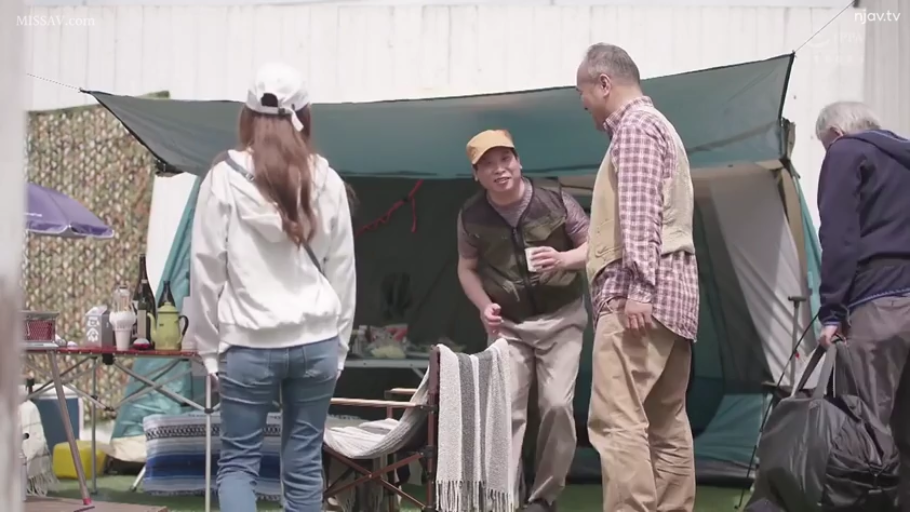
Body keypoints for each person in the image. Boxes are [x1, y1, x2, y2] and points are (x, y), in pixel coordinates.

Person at [188, 62, 356, 512]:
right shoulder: (327, 179)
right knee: (304, 464)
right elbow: (343, 271)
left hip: (247, 343)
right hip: (317, 341)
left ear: (246, 116)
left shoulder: (223, 177)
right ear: (305, 115)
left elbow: (205, 269)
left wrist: (209, 349)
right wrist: (339, 347)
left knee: (238, 466)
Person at [575, 43, 699, 512]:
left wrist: (640, 288)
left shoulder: (635, 128)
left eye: (584, 93)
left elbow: (640, 211)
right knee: (666, 423)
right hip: (676, 301)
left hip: (640, 300)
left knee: (617, 420)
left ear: (604, 83)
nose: (584, 104)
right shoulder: (661, 126)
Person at [455, 128, 589, 512]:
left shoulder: (555, 199)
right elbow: (466, 267)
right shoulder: (471, 215)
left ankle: (544, 497)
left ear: (519, 162)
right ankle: (503, 498)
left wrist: (563, 259)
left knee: (556, 406)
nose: (499, 169)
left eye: (505, 159)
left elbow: (593, 246)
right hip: (509, 327)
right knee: (505, 411)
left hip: (562, 319)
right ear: (477, 175)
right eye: (488, 165)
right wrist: (484, 306)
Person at [814, 101, 910, 507]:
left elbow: (840, 237)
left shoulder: (846, 151)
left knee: (871, 425)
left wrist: (832, 311)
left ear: (835, 133)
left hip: (880, 302)